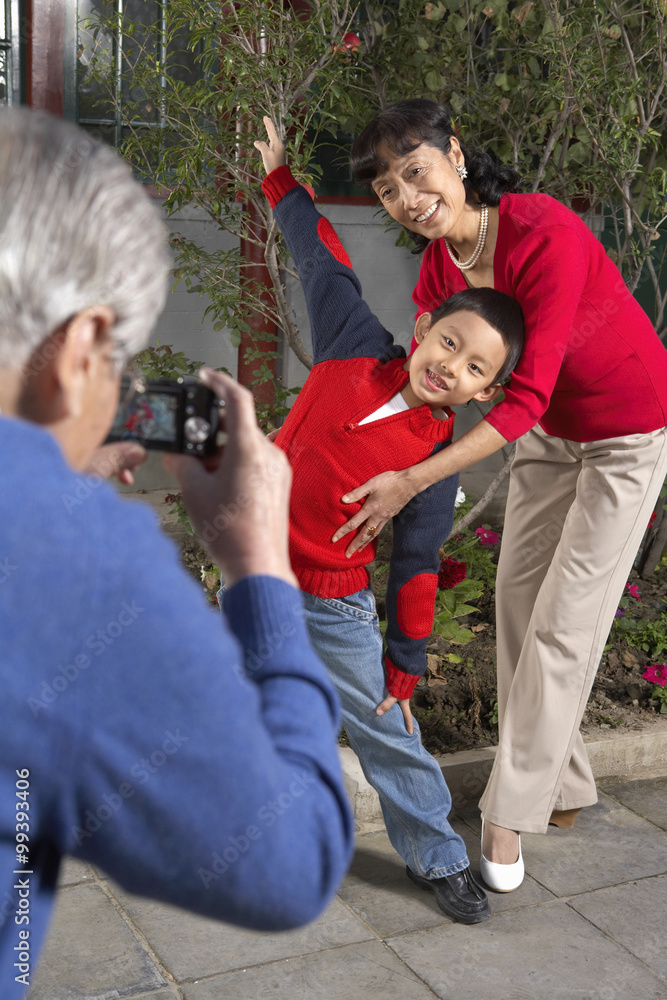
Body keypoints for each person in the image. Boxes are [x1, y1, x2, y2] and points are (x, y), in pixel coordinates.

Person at [0, 107, 355, 997]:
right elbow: (291, 860)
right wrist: (257, 565)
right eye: (117, 359)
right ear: (80, 346)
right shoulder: (67, 558)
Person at [330, 98, 667, 891]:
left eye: (415, 172)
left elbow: (522, 396)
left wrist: (412, 479)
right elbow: (439, 373)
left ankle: (504, 816)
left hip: (625, 432)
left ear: (453, 153)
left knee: (563, 625)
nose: (408, 198)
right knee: (517, 604)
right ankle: (566, 786)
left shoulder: (539, 231)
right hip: (554, 437)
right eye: (387, 190)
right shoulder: (440, 268)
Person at [254, 117, 524, 921]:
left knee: (386, 731)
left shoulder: (430, 463)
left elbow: (413, 564)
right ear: (421, 333)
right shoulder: (348, 343)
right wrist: (280, 179)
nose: (450, 366)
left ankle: (437, 857)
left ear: (483, 394)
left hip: (330, 602)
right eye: (447, 343)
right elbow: (318, 257)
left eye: (474, 368)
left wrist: (404, 665)